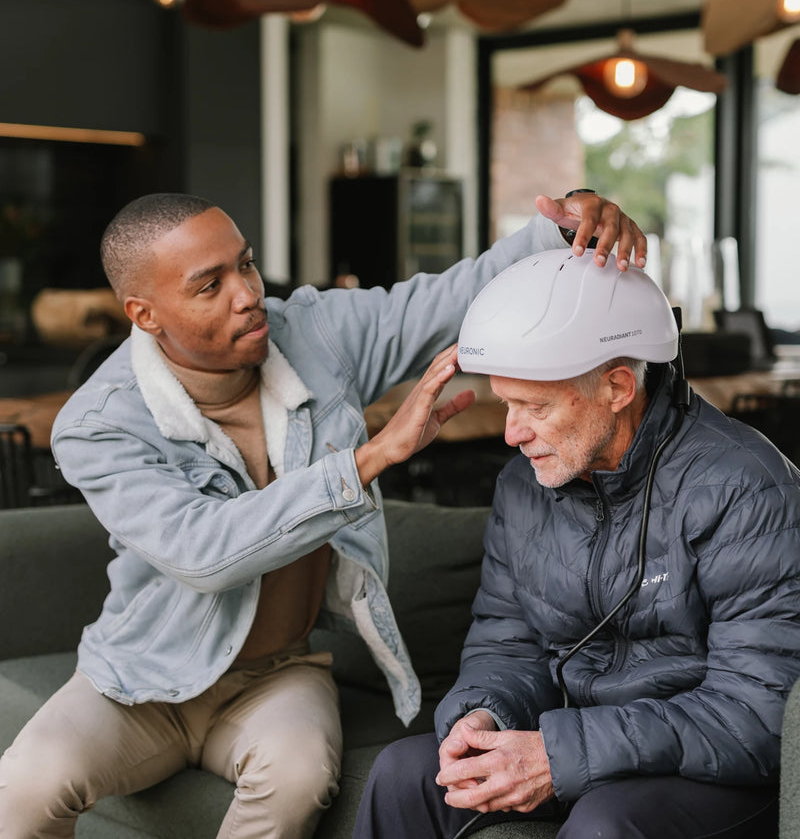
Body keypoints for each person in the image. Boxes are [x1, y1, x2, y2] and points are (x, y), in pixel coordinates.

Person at [0, 190, 644, 839]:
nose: (247, 293)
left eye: (245, 264)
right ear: (145, 312)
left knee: (298, 778)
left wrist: (561, 232)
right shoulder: (98, 422)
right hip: (142, 679)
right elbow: (204, 551)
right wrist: (370, 458)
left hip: (278, 674)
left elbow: (444, 299)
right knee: (22, 789)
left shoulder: (311, 333)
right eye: (210, 285)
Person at [354, 249, 800, 839]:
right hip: (575, 743)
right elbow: (506, 642)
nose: (512, 433)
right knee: (403, 773)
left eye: (534, 407)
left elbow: (757, 715)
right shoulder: (525, 484)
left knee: (604, 824)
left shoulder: (746, 488)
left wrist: (558, 756)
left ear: (617, 386)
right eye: (506, 403)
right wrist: (482, 714)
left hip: (708, 772)